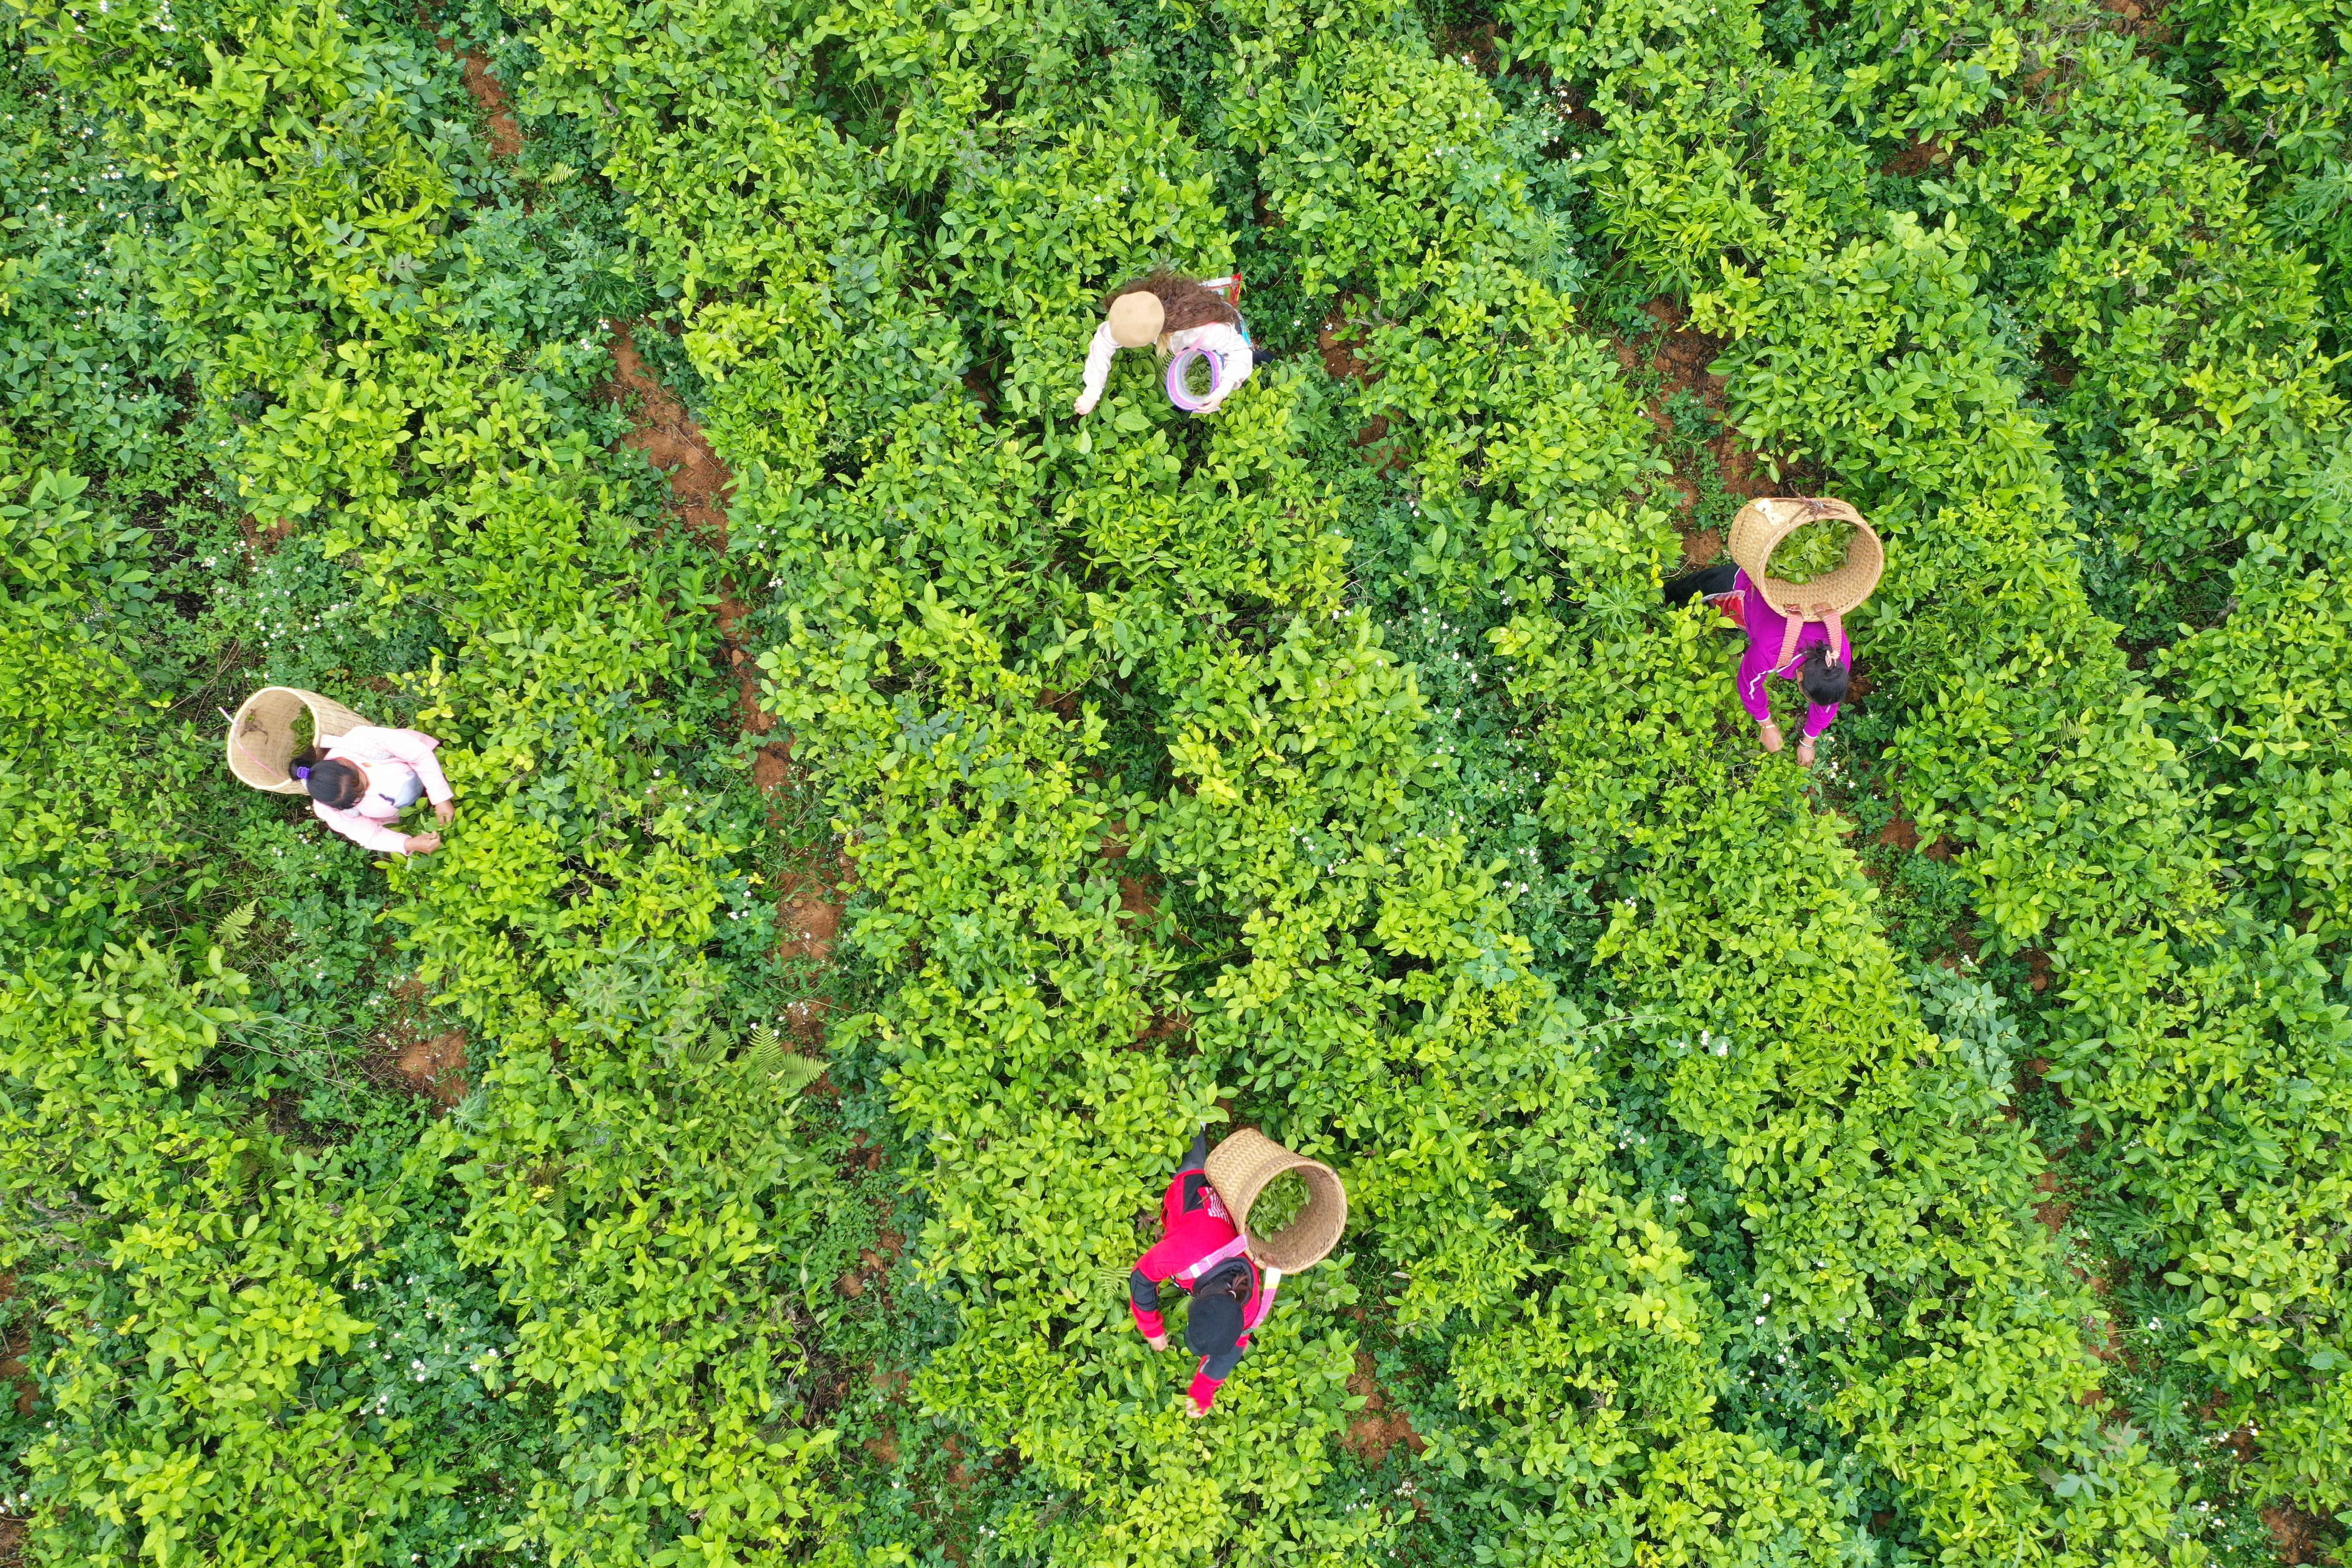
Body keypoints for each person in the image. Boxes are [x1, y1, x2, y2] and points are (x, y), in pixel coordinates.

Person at [1130, 1129, 1276, 1416]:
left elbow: (1232, 1349)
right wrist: (1152, 1329)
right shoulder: (1184, 1255)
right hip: (1195, 1185)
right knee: (1186, 1131)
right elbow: (1142, 1277)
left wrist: (1202, 1391)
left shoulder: (1251, 1306)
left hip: (1222, 1197)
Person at [1666, 561, 1852, 766]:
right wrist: (1766, 724)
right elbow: (1749, 685)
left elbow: (1829, 701)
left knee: (1748, 622)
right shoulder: (1771, 651)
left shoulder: (1837, 653)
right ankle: (1664, 598)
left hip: (1792, 595)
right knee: (1697, 586)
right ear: (1799, 676)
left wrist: (1809, 741)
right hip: (1749, 583)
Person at [1075, 271, 1255, 417]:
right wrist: (1092, 392)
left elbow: (1240, 352)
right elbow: (1104, 339)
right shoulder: (1139, 309)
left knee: (1254, 359)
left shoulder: (1202, 332)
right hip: (1186, 326)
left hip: (1225, 328)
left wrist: (1222, 391)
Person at [293, 726, 456, 854]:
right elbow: (370, 835)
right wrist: (409, 843)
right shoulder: (329, 810)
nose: (367, 791)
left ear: (345, 763)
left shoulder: (362, 741)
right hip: (406, 809)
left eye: (362, 785)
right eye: (358, 798)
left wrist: (441, 798)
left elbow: (420, 755)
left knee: (444, 767)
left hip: (424, 766)